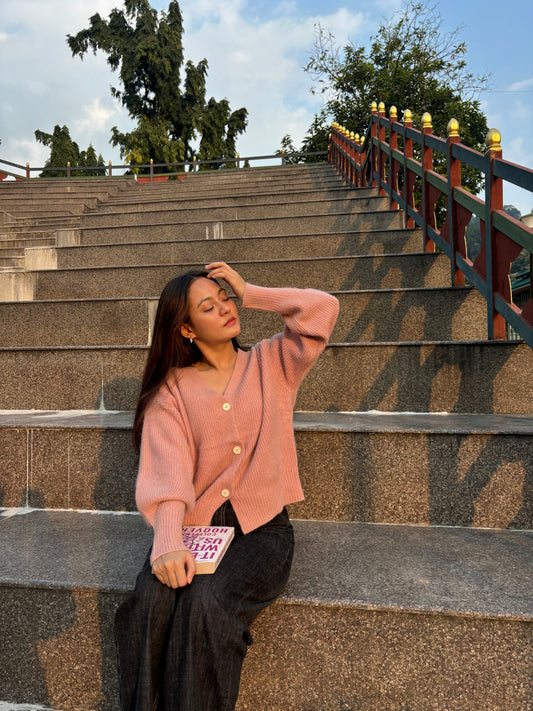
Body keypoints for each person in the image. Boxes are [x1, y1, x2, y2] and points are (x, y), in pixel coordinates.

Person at [114, 261, 339, 711]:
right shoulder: (170, 392)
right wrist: (167, 540)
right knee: (150, 603)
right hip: (192, 531)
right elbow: (167, 471)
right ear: (185, 329)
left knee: (206, 602)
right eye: (208, 307)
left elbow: (322, 308)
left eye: (224, 300)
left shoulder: (272, 362)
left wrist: (251, 291)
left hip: (262, 531)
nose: (225, 309)